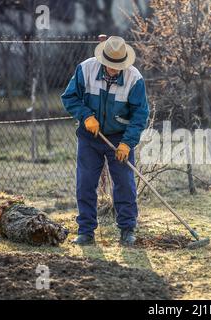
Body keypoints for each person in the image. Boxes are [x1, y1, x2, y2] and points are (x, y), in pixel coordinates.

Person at [61, 36, 149, 246]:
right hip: (90, 136)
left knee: (124, 183)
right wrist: (86, 116)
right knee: (85, 183)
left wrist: (127, 143)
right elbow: (69, 97)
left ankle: (127, 230)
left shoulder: (134, 79)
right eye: (110, 65)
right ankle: (86, 231)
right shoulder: (85, 70)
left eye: (118, 66)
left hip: (120, 138)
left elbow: (140, 115)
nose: (114, 69)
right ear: (103, 61)